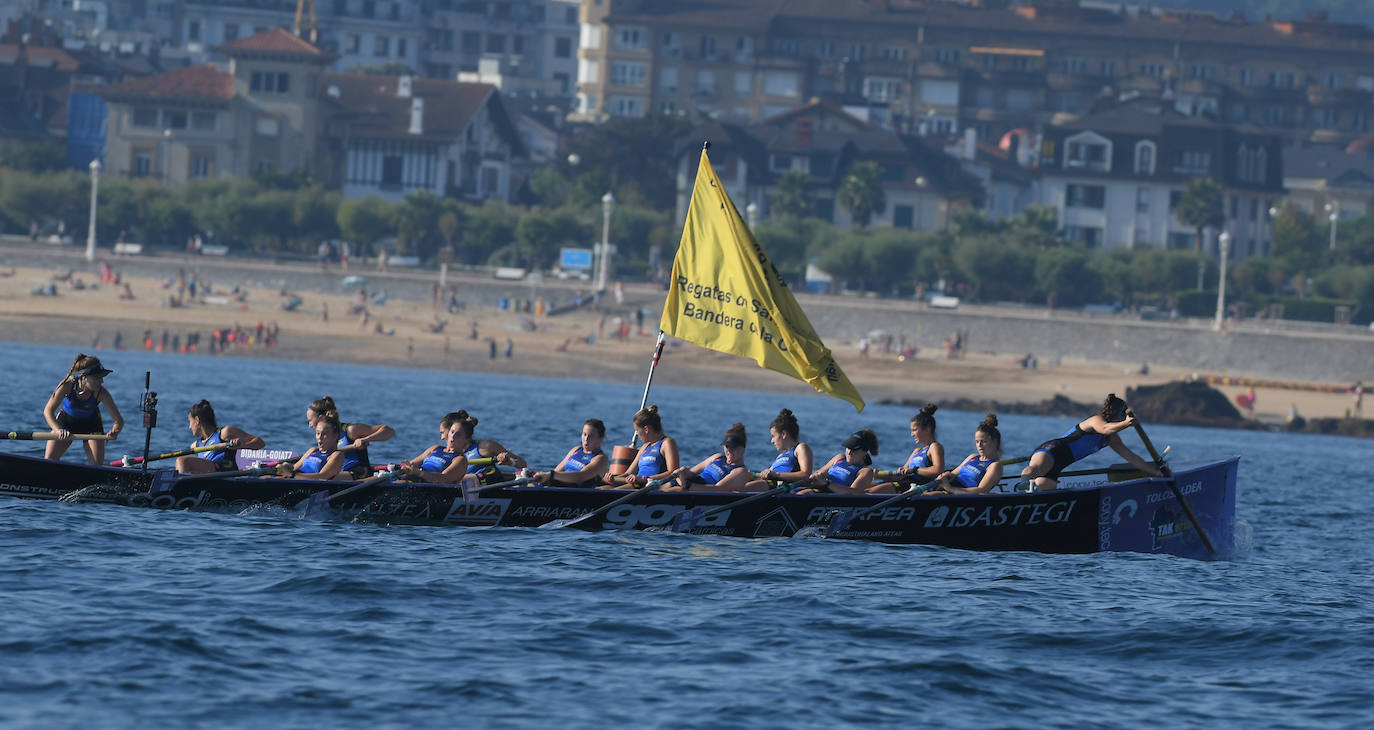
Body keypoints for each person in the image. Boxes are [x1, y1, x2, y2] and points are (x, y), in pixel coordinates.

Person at [1018, 395, 1161, 492]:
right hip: (1053, 450)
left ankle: (1030, 490)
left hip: (1060, 465)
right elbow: (1105, 428)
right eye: (1123, 416)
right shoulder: (1095, 421)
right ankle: (1022, 487)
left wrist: (1156, 473)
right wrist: (1126, 423)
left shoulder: (1112, 439)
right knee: (1035, 470)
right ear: (1117, 415)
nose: (1124, 419)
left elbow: (1132, 458)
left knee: (1042, 484)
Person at [43, 354, 124, 465]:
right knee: (49, 461)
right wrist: (58, 430)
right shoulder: (67, 386)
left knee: (96, 466)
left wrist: (115, 431)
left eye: (102, 377)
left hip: (92, 425)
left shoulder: (101, 393)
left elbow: (119, 421)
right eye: (97, 377)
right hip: (66, 423)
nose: (102, 381)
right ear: (84, 377)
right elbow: (48, 411)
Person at [306, 396, 395, 475]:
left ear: (321, 418)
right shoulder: (321, 436)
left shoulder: (351, 430)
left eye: (310, 420)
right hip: (335, 475)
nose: (309, 425)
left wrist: (365, 439)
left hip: (358, 475)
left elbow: (389, 431)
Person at [175, 400, 266, 474]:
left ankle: (181, 489)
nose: (189, 427)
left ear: (197, 420)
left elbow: (260, 443)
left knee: (182, 461)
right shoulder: (195, 446)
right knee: (180, 464)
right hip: (208, 477)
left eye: (190, 422)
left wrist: (243, 445)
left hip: (225, 474)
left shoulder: (225, 433)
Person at [873, 403, 946, 494]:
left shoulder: (934, 447)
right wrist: (879, 475)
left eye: (914, 430)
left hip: (917, 487)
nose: (912, 434)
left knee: (871, 491)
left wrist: (915, 470)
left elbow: (938, 470)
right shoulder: (916, 451)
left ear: (927, 429)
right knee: (868, 486)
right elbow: (900, 475)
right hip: (905, 483)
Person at [602, 405, 679, 488]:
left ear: (646, 429)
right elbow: (628, 474)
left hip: (652, 486)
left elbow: (673, 472)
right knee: (601, 488)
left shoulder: (667, 443)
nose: (637, 434)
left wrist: (644, 479)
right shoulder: (644, 447)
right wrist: (612, 478)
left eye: (637, 430)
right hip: (637, 484)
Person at [662, 423, 751, 492]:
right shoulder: (717, 457)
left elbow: (717, 489)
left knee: (677, 489)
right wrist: (683, 472)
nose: (729, 451)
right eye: (727, 446)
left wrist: (687, 486)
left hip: (693, 492)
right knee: (664, 486)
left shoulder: (740, 471)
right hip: (686, 485)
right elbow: (691, 472)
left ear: (743, 448)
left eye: (734, 447)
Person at [928, 414, 1005, 495]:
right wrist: (946, 475)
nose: (979, 445)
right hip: (947, 488)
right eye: (977, 441)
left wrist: (950, 489)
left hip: (959, 495)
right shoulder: (973, 457)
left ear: (995, 442)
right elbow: (953, 474)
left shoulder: (995, 466)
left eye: (984, 441)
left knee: (929, 495)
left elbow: (982, 490)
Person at [279, 411, 365, 481]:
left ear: (336, 436)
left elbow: (323, 477)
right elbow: (294, 468)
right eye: (318, 433)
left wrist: (293, 475)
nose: (319, 437)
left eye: (324, 434)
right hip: (295, 480)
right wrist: (286, 466)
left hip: (307, 486)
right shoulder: (312, 450)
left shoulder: (336, 455)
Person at [398, 413, 480, 485]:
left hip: (427, 487)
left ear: (467, 439)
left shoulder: (460, 460)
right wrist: (406, 467)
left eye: (458, 434)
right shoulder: (436, 448)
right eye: (452, 432)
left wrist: (419, 473)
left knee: (401, 483)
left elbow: (442, 479)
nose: (453, 436)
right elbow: (412, 463)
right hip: (413, 479)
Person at [743, 408, 813, 491]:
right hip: (770, 485)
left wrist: (775, 475)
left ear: (783, 434)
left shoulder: (801, 448)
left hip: (783, 488)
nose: (772, 441)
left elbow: (805, 474)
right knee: (740, 476)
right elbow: (768, 476)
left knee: (741, 488)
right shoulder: (780, 456)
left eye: (773, 436)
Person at [534, 419, 609, 488]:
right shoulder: (576, 450)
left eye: (591, 436)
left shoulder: (600, 459)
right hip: (559, 485)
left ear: (601, 438)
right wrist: (545, 477)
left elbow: (580, 476)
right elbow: (557, 471)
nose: (586, 439)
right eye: (584, 434)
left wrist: (551, 475)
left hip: (576, 491)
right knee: (532, 482)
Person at [802, 429, 880, 494]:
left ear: (864, 452)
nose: (849, 452)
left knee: (802, 494)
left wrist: (827, 484)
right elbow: (819, 472)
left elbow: (853, 493)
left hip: (832, 499)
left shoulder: (865, 472)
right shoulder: (839, 458)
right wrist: (817, 475)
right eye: (848, 447)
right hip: (818, 490)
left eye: (854, 450)